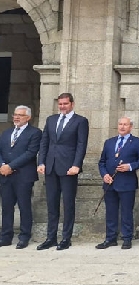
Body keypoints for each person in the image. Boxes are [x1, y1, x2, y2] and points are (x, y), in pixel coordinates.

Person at [37, 93, 89, 251]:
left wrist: (77, 165)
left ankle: (66, 238)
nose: (62, 106)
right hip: (51, 166)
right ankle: (50, 237)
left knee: (68, 204)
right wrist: (41, 162)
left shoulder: (80, 121)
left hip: (68, 168)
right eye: (60, 104)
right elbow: (44, 142)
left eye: (65, 104)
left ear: (72, 104)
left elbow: (81, 145)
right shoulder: (51, 120)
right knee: (52, 204)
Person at [96, 117, 139, 250]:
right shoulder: (109, 142)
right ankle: (110, 238)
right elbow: (102, 162)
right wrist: (104, 175)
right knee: (111, 211)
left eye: (125, 125)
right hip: (110, 183)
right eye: (120, 124)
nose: (122, 127)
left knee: (126, 211)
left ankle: (127, 238)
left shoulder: (137, 142)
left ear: (130, 127)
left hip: (127, 183)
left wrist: (130, 166)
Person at [0, 106, 42, 249]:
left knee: (24, 207)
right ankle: (5, 236)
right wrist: (2, 165)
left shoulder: (35, 133)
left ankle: (24, 237)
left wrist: (10, 166)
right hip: (5, 176)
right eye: (15, 115)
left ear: (28, 117)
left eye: (20, 115)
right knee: (6, 207)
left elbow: (30, 153)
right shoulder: (6, 133)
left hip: (24, 175)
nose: (16, 117)